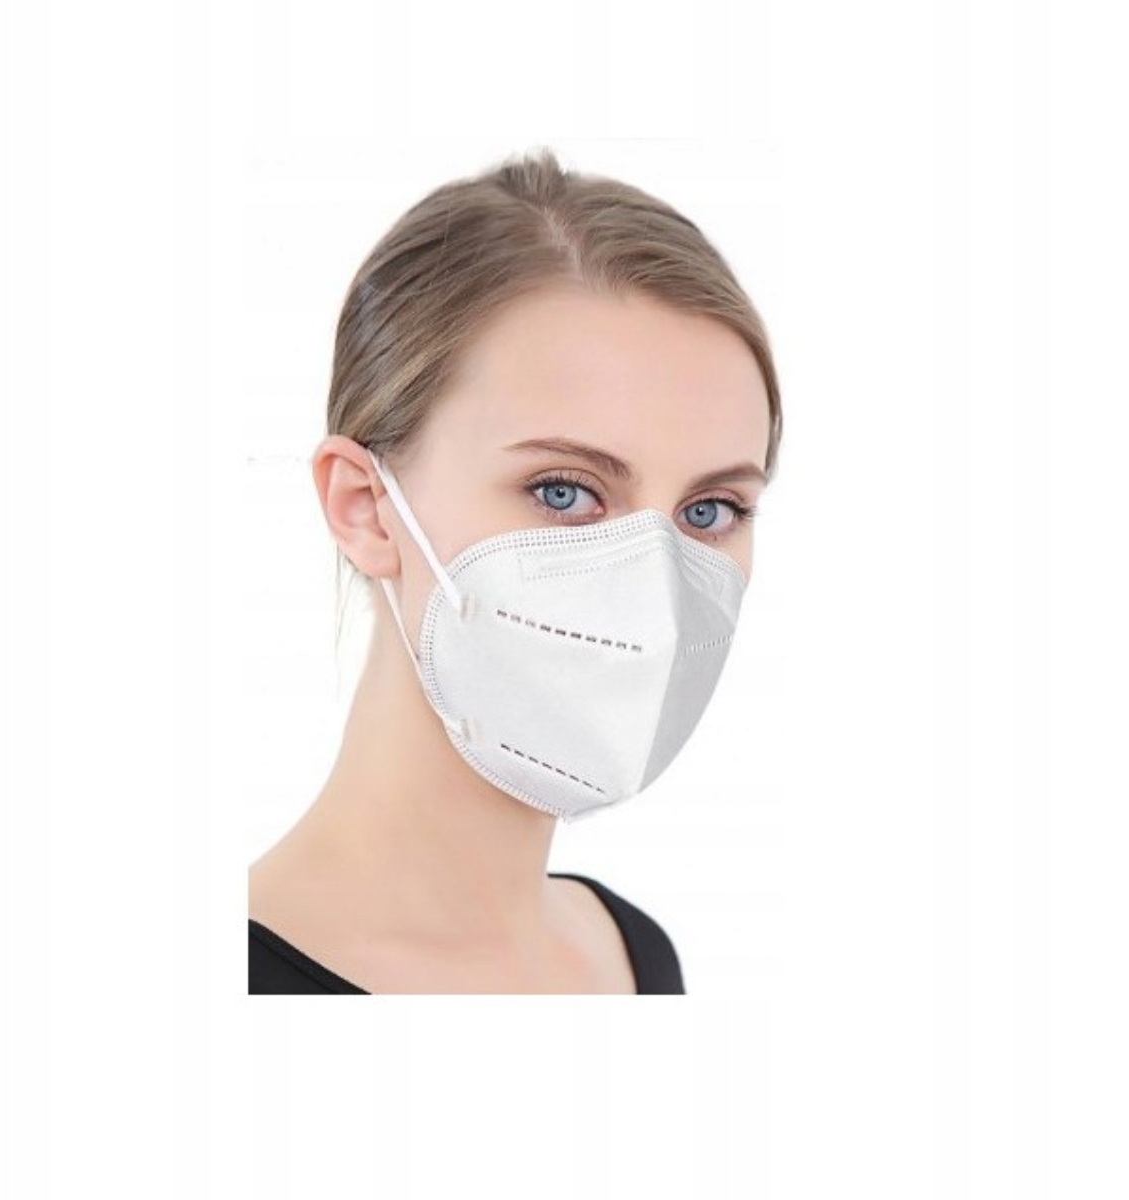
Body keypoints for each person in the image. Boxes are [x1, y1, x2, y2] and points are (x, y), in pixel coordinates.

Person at [248, 147, 784, 994]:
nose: (654, 589)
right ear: (365, 507)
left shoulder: (634, 953)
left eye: (710, 511)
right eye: (564, 492)